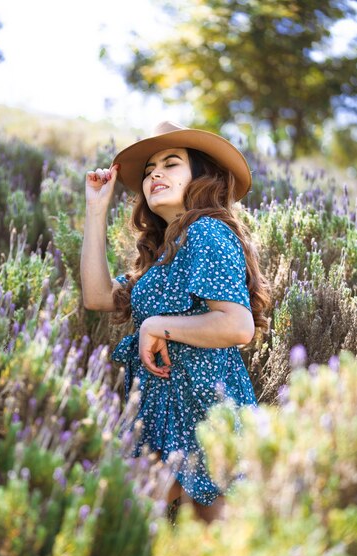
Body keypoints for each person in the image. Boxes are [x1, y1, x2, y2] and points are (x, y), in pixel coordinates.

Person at [80, 121, 271, 524]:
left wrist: (156, 326)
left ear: (201, 177)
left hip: (205, 411)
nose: (155, 174)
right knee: (120, 522)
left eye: (171, 164)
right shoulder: (167, 251)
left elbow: (236, 326)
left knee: (220, 547)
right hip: (164, 412)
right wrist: (96, 210)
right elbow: (98, 297)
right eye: (149, 170)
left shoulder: (206, 232)